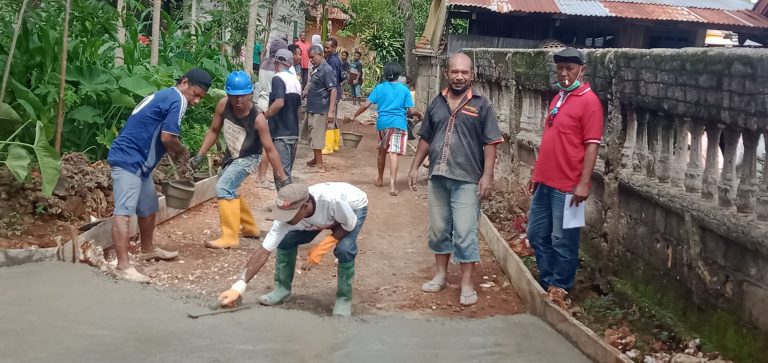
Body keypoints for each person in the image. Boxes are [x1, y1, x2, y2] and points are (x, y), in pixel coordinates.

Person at [407, 54, 503, 306]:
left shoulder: (482, 105)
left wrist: (487, 177)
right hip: (438, 176)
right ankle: (440, 276)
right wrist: (415, 166)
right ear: (446, 74)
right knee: (439, 230)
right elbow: (426, 137)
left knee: (464, 232)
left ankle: (467, 284)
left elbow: (491, 143)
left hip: (467, 180)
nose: (459, 76)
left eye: (464, 72)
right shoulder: (437, 103)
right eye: (454, 72)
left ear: (472, 75)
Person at [107, 68, 211, 282]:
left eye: (201, 97)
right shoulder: (178, 100)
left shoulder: (166, 95)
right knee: (123, 212)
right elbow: (167, 137)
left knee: (149, 207)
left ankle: (147, 249)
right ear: (184, 83)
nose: (196, 101)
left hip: (139, 163)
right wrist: (182, 151)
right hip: (129, 160)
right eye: (196, 94)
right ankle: (123, 266)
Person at [217, 182, 368, 317]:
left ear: (305, 206)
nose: (285, 219)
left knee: (344, 249)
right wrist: (238, 287)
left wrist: (322, 247)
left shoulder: (332, 201)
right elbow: (264, 251)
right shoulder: (287, 217)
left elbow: (349, 224)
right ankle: (282, 290)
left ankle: (344, 299)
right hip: (321, 218)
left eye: (289, 214)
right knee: (285, 239)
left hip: (352, 209)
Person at [527, 47, 603, 309]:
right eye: (560, 68)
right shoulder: (559, 97)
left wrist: (584, 182)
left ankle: (561, 286)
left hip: (570, 187)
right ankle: (548, 280)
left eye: (569, 68)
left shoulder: (589, 101)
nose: (564, 73)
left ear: (582, 69)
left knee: (564, 241)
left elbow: (592, 145)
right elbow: (550, 139)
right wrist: (536, 173)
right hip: (546, 182)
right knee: (536, 235)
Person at [191, 71, 290, 249]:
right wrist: (200, 154)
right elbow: (214, 130)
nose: (238, 100)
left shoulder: (258, 118)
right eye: (234, 96)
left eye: (243, 95)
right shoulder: (223, 105)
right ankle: (250, 227)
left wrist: (283, 177)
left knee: (223, 188)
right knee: (227, 185)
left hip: (249, 157)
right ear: (228, 94)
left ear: (250, 94)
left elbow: (270, 150)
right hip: (232, 156)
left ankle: (230, 237)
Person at [352, 63, 422, 196]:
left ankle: (379, 178)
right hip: (398, 124)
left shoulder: (379, 88)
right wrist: (420, 115)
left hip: (382, 125)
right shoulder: (404, 90)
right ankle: (392, 186)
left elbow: (366, 105)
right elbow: (411, 111)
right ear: (398, 75)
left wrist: (354, 115)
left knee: (382, 152)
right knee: (393, 154)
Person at [261, 49, 302, 190]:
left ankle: (287, 205)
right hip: (294, 131)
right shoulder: (295, 81)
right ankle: (289, 204)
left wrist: (265, 115)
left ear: (277, 62)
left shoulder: (278, 78)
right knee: (287, 173)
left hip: (281, 133)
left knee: (281, 175)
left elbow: (279, 102)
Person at [304, 45, 337, 169]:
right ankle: (316, 158)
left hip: (321, 108)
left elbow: (332, 91)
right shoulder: (316, 68)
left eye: (313, 57)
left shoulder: (327, 69)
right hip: (312, 106)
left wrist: (331, 111)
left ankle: (319, 163)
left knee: (317, 135)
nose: (311, 60)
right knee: (312, 133)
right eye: (310, 58)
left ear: (320, 54)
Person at [323, 37, 345, 154]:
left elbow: (333, 79)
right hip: (337, 91)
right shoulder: (336, 59)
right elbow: (341, 78)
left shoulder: (332, 61)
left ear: (334, 48)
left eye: (328, 47)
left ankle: (329, 146)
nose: (326, 49)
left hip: (333, 93)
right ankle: (335, 144)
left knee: (330, 118)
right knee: (334, 118)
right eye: (325, 47)